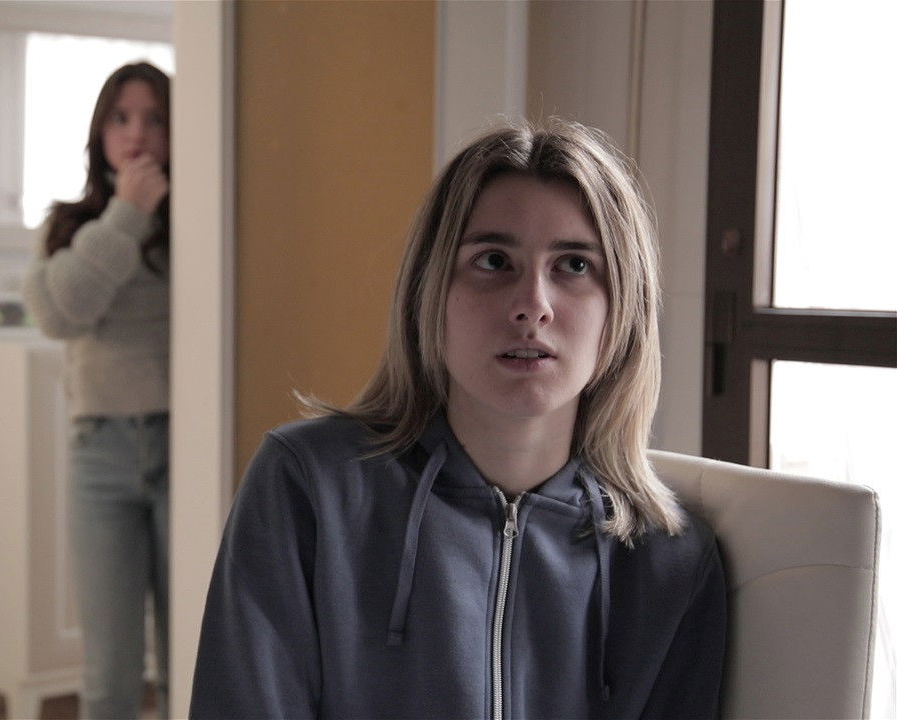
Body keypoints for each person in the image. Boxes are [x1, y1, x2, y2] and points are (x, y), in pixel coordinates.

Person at [190, 120, 726, 719]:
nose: (532, 306)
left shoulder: (669, 561)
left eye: (574, 265)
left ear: (623, 307)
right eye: (494, 260)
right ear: (431, 289)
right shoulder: (309, 488)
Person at [22, 61, 171, 720]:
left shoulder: (199, 223)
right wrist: (126, 216)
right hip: (100, 453)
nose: (136, 133)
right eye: (121, 117)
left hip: (184, 445)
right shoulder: (68, 224)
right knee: (109, 666)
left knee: (190, 648)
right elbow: (61, 316)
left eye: (155, 118)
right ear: (99, 131)